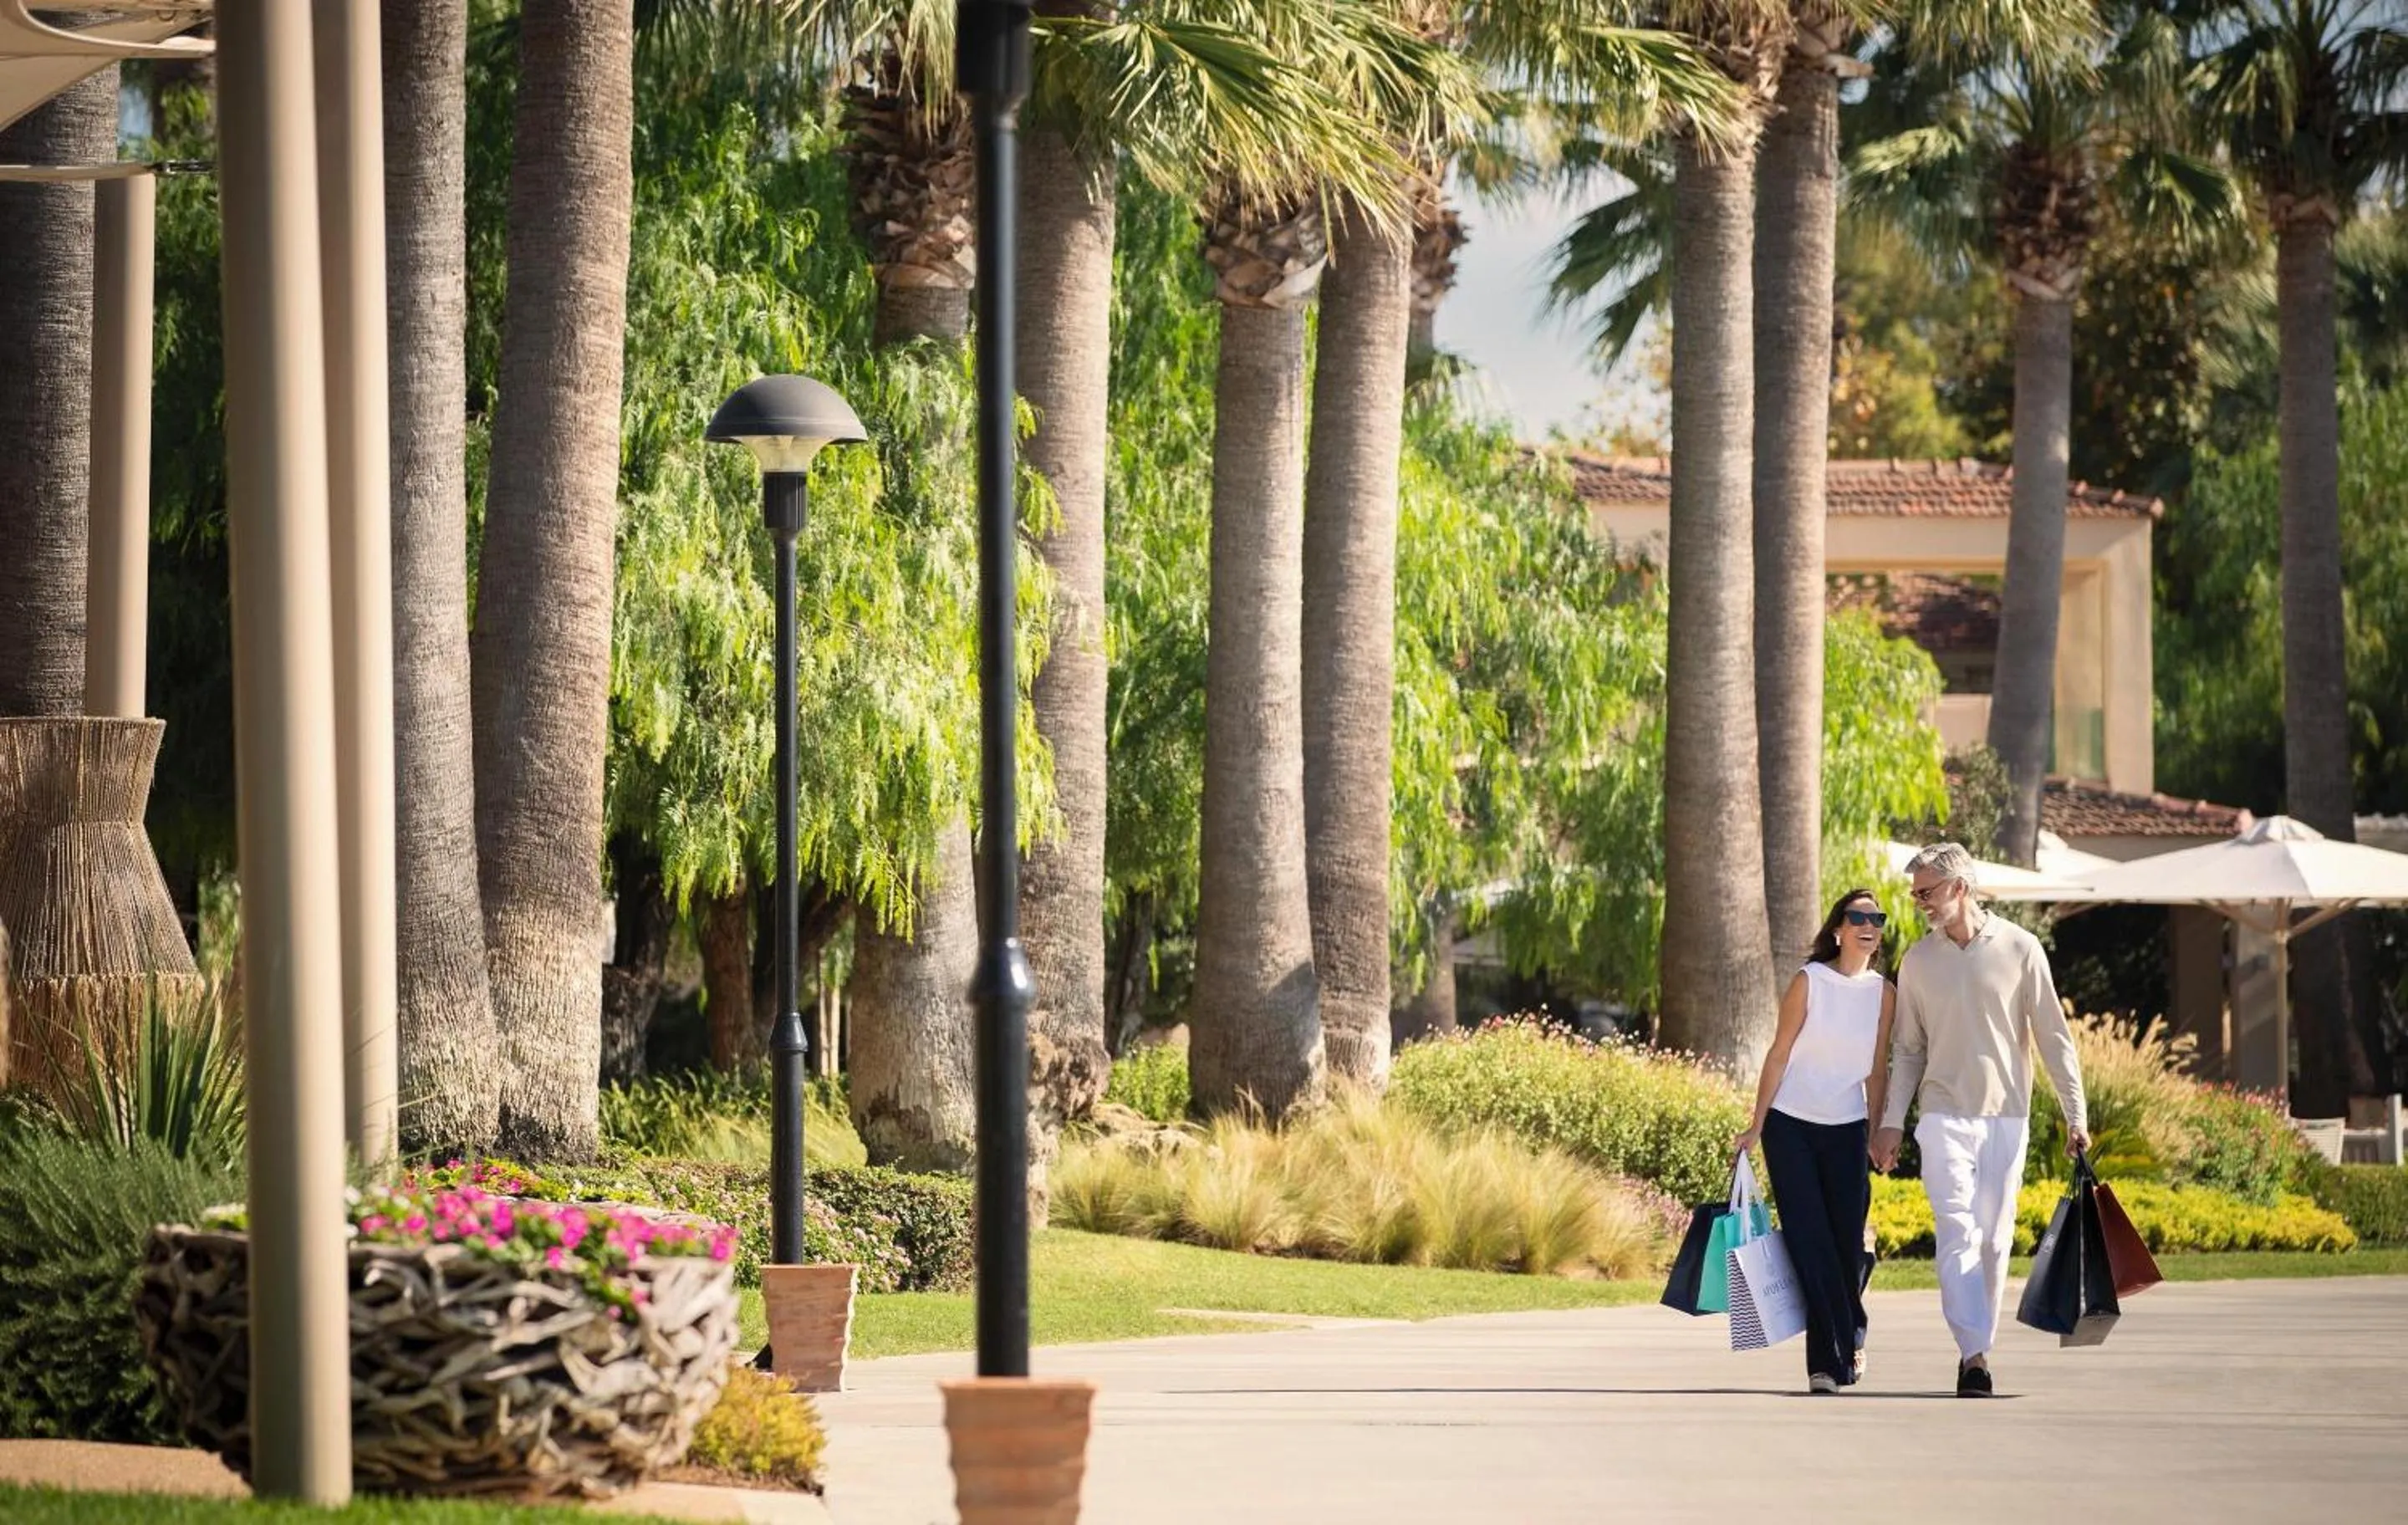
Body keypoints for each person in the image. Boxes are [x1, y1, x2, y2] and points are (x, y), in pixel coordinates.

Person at [1870, 842, 2089, 1399]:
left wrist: (2075, 1114)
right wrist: (1893, 1120)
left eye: (1928, 891)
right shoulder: (1918, 961)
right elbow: (1909, 1050)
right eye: (1915, 891)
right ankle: (1973, 1355)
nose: (1919, 901)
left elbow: (2053, 1038)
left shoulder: (2020, 948)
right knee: (1957, 1229)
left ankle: (1979, 1346)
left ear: (1960, 887)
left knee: (1994, 1240)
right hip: (1943, 1115)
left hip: (2007, 1118)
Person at [1732, 889, 1895, 1395]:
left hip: (1846, 1129)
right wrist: (1757, 1125)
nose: (1869, 924)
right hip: (1791, 1126)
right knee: (1810, 1243)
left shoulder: (1885, 993)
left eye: (1877, 918)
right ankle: (1825, 1364)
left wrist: (1876, 1131)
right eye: (1858, 916)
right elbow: (1779, 1054)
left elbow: (1876, 1068)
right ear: (1838, 929)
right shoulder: (1810, 981)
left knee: (1845, 1247)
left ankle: (1853, 1331)